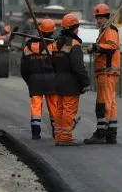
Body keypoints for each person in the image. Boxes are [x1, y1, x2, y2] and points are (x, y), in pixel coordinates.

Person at [84, 3, 121, 144]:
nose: (98, 20)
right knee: (110, 103)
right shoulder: (105, 31)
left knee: (102, 103)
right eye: (97, 18)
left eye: (101, 18)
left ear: (107, 18)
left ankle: (101, 133)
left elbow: (112, 46)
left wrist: (95, 47)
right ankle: (111, 134)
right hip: (108, 72)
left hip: (107, 72)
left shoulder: (109, 30)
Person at [51, 13, 90, 146]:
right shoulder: (74, 45)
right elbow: (78, 66)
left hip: (58, 80)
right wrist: (85, 82)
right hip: (71, 83)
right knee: (69, 110)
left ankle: (59, 135)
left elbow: (53, 62)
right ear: (74, 28)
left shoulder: (56, 44)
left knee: (60, 109)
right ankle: (66, 137)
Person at [20, 19, 59, 140]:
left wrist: (29, 80)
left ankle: (35, 132)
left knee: (36, 106)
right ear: (52, 32)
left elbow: (24, 68)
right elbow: (59, 64)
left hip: (35, 80)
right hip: (51, 80)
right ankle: (56, 131)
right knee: (54, 106)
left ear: (40, 30)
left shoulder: (27, 48)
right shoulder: (54, 45)